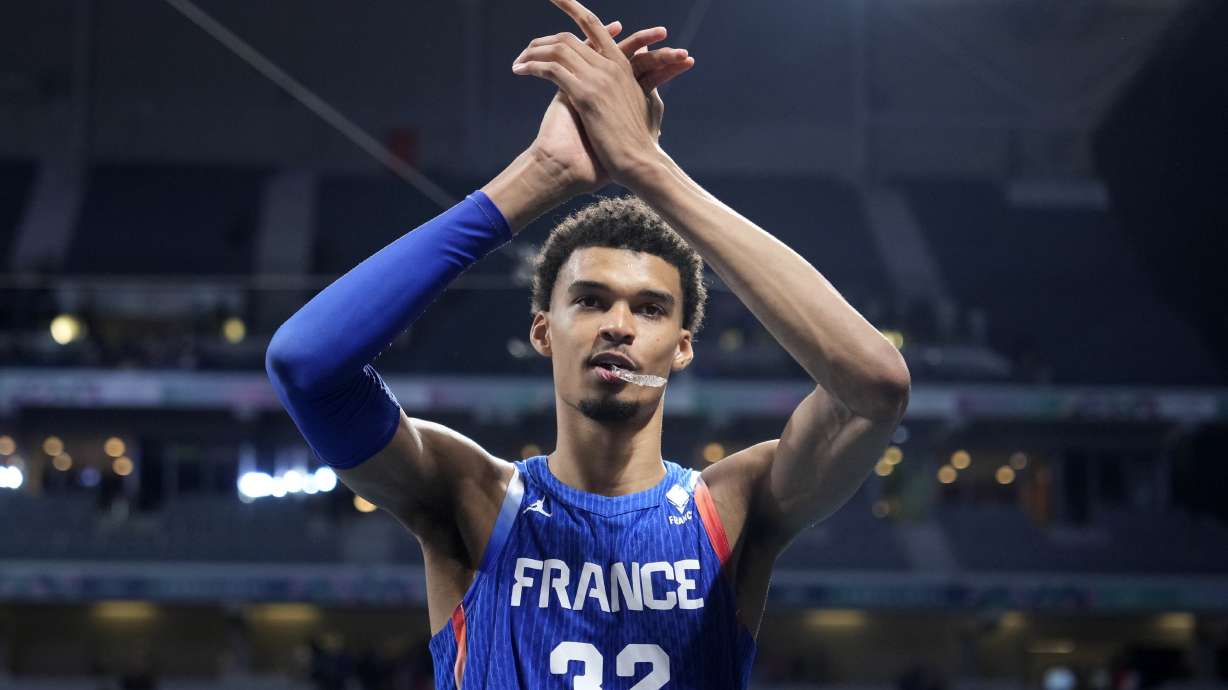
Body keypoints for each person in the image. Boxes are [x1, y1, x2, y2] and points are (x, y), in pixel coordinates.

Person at [266, 1, 911, 687]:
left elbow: (877, 387)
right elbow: (306, 365)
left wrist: (647, 168)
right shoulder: (472, 496)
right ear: (544, 329)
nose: (618, 324)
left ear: (683, 346)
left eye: (651, 308)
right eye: (591, 300)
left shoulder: (734, 507)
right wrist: (541, 174)